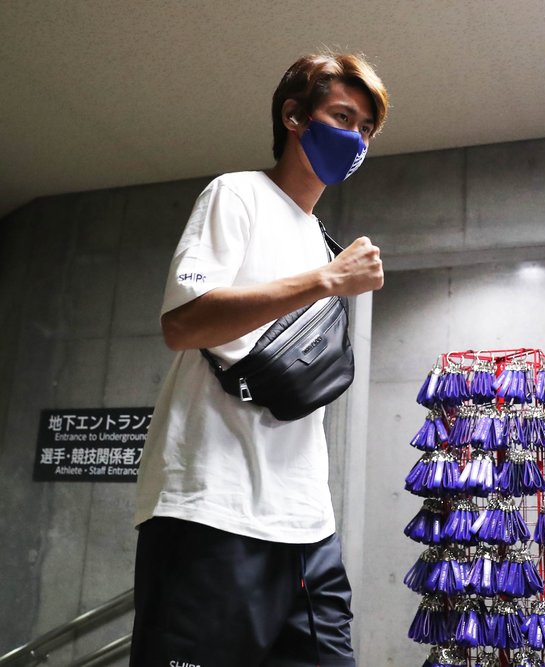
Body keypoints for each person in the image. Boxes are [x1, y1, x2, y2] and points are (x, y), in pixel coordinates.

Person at [129, 51, 388, 667]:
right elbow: (183, 322)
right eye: (343, 117)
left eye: (366, 129)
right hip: (211, 506)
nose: (355, 139)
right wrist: (326, 280)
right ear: (294, 117)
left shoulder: (319, 238)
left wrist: (326, 272)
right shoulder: (238, 193)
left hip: (306, 524)